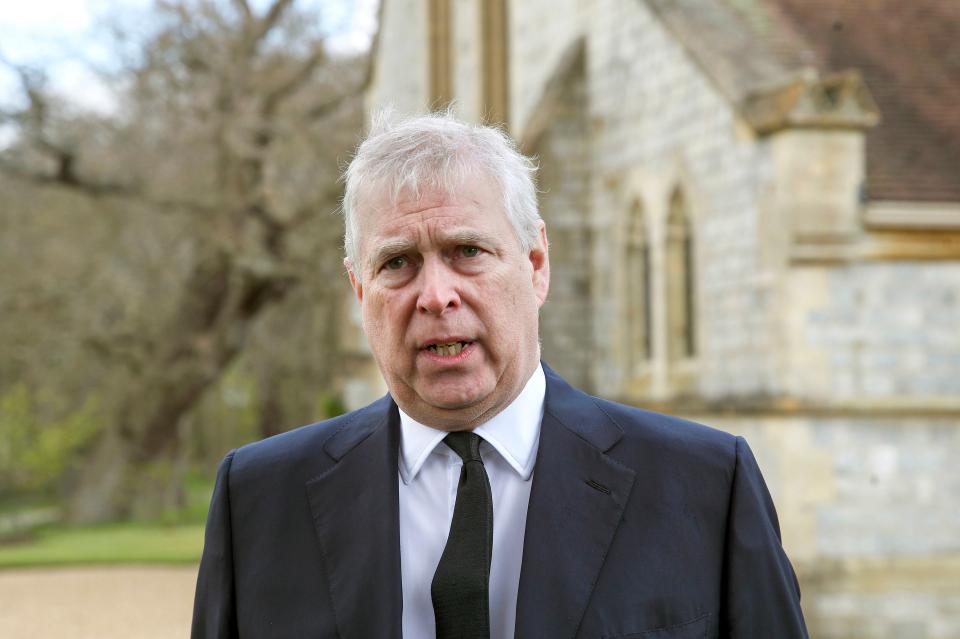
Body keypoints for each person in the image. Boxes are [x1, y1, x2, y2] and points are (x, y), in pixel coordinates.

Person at [192, 111, 809, 638]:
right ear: (360, 291)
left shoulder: (704, 486)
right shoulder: (258, 501)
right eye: (398, 263)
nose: (436, 295)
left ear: (536, 264)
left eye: (468, 252)